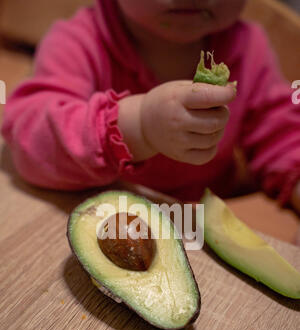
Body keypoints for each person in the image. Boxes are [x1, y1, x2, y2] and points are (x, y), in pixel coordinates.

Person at [2, 0, 300, 211]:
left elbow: (284, 137)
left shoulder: (249, 47)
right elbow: (30, 138)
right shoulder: (77, 41)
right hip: (101, 213)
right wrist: (138, 127)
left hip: (201, 225)